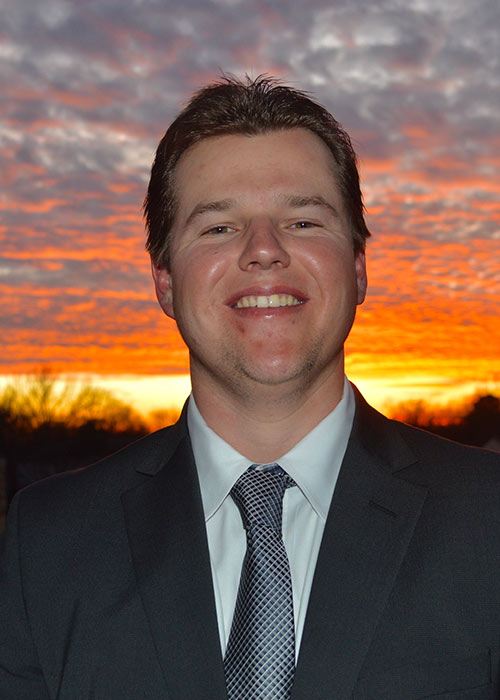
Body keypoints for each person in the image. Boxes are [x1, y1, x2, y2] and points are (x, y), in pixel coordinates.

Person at [1, 75, 500, 699]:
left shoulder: (489, 520)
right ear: (164, 282)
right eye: (218, 228)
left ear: (358, 265)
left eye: (303, 220)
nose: (264, 250)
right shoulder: (48, 544)